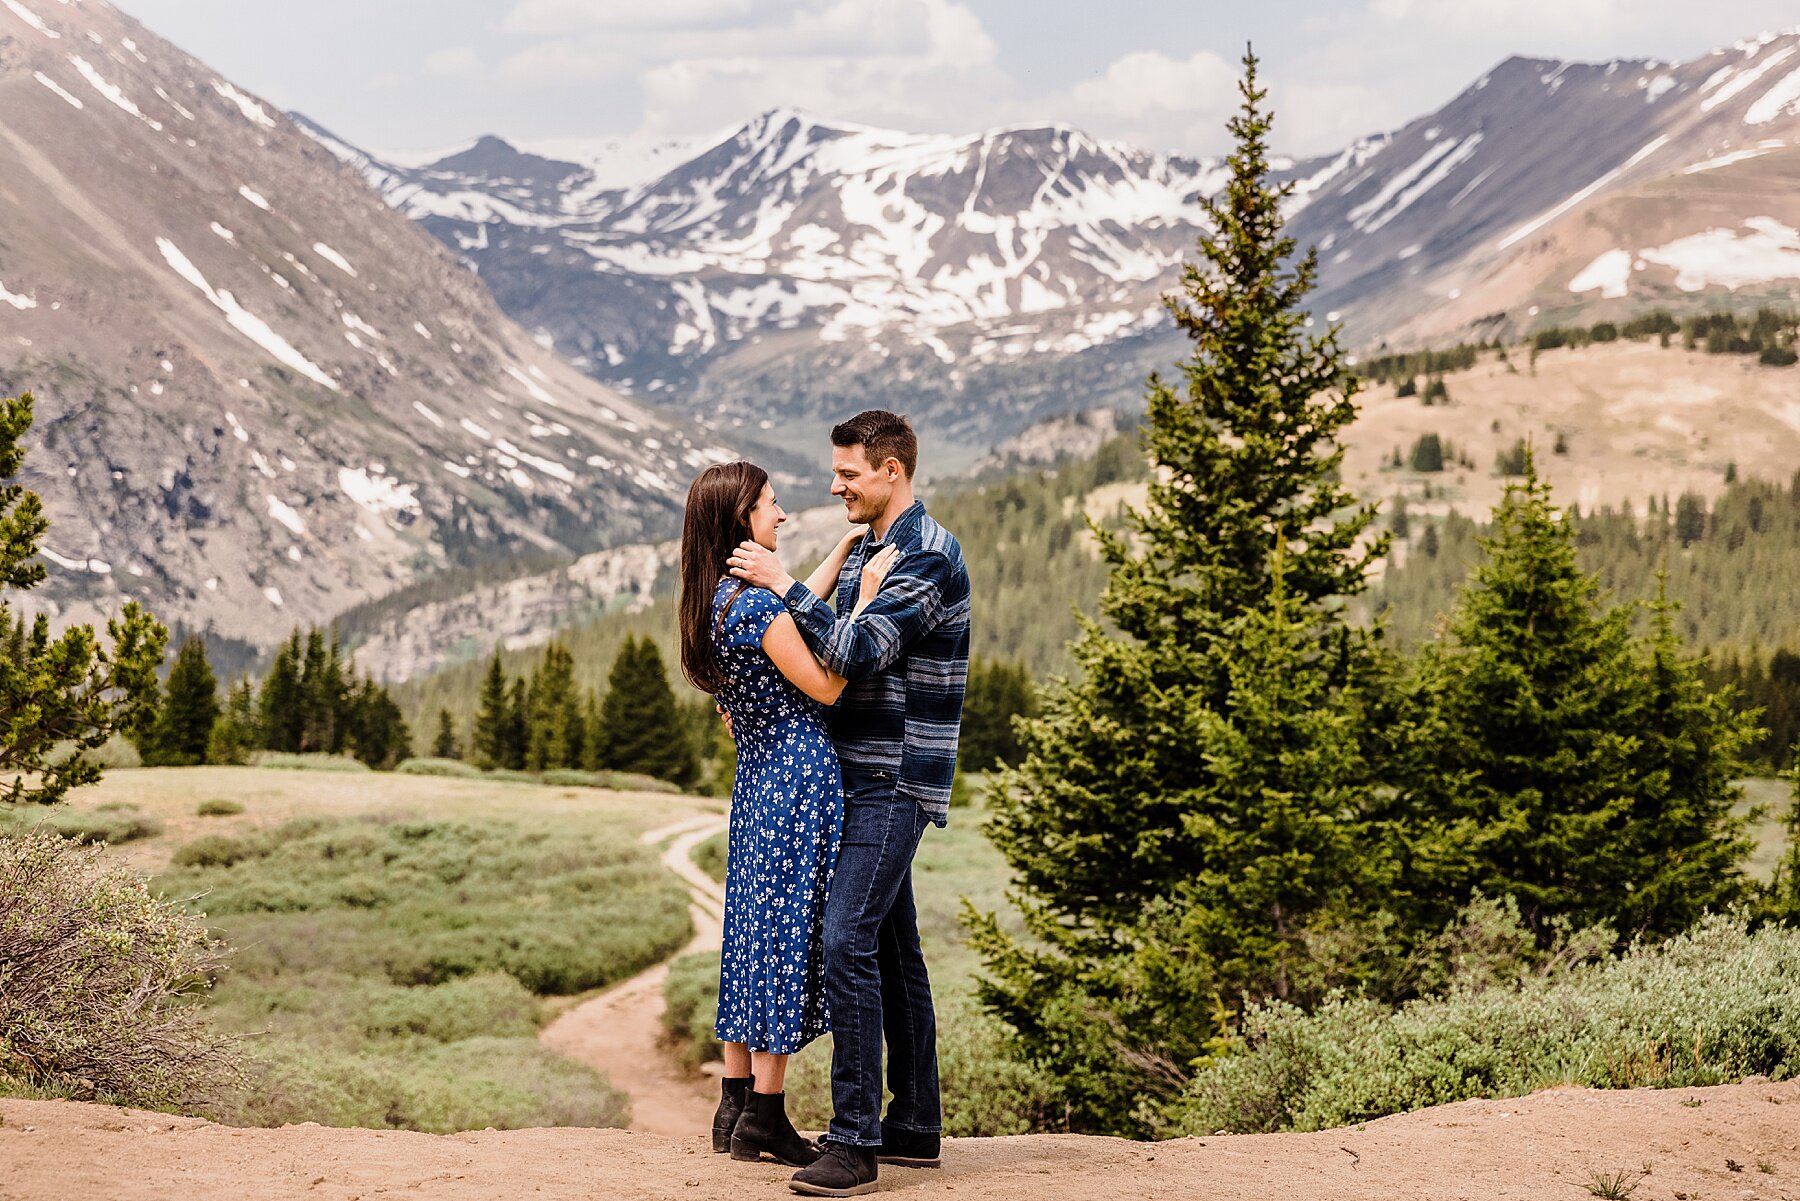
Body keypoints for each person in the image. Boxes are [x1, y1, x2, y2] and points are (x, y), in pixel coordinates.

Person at [726, 410, 971, 1198]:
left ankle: (856, 1141)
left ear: (892, 470)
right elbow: (827, 655)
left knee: (844, 941)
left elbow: (855, 652)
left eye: (849, 474)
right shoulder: (868, 547)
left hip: (892, 779)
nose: (835, 486)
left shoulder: (927, 557)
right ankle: (916, 1125)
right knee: (894, 952)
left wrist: (781, 582)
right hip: (852, 773)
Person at [677, 460, 896, 1167]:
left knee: (748, 932)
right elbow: (828, 682)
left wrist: (835, 556)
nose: (781, 514)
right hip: (799, 781)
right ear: (741, 519)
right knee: (786, 936)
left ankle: (734, 1103)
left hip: (756, 783)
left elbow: (792, 597)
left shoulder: (716, 603)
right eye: (770, 504)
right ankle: (768, 1117)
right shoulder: (759, 609)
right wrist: (863, 601)